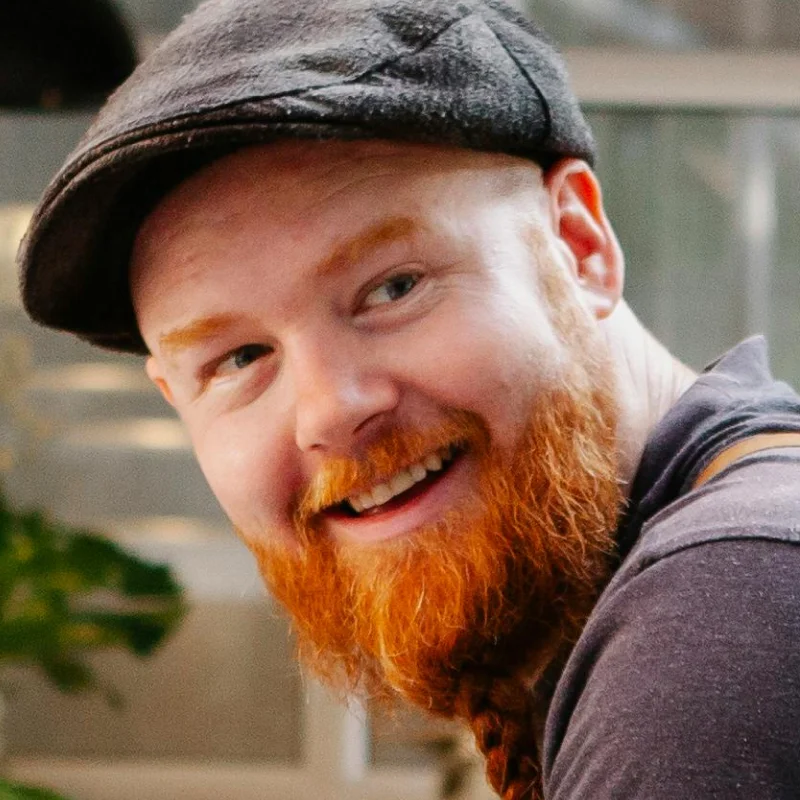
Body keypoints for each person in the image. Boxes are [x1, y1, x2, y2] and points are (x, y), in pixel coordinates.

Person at [17, 0, 800, 797]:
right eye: (240, 358)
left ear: (577, 244)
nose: (329, 410)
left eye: (393, 287)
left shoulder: (719, 627)